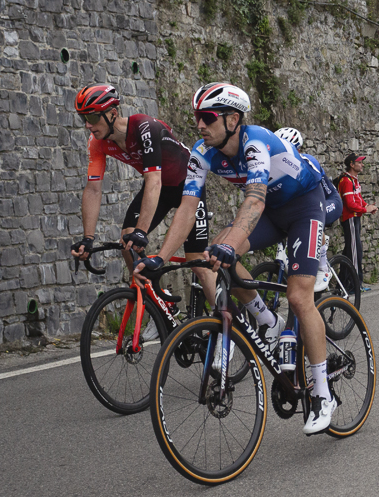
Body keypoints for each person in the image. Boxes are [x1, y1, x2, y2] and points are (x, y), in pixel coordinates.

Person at [138, 83, 338, 435]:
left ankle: (322, 393)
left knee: (297, 296)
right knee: (209, 255)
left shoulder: (255, 142)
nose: (199, 124)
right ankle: (267, 321)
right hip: (272, 212)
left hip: (305, 205)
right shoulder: (203, 152)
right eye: (197, 117)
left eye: (208, 117)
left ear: (233, 119)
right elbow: (186, 208)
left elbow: (255, 198)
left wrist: (232, 243)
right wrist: (159, 256)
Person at [69, 84, 208, 293]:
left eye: (92, 118)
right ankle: (157, 304)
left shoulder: (145, 127)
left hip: (188, 185)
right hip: (160, 188)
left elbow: (153, 180)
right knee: (127, 240)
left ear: (112, 114)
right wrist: (88, 238)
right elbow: (93, 189)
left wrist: (142, 232)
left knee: (196, 261)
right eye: (84, 118)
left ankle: (227, 319)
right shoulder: (98, 143)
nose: (88, 125)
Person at [275, 127, 343, 291]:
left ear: (297, 149)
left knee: (313, 221)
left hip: (330, 201)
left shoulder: (308, 162)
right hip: (308, 205)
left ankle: (323, 267)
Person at [337, 153, 377, 291]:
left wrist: (367, 206)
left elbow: (358, 198)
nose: (362, 165)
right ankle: (355, 285)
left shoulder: (353, 180)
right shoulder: (347, 181)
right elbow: (349, 203)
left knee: (350, 251)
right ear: (352, 165)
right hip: (350, 219)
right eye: (359, 162)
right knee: (355, 252)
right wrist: (365, 210)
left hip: (355, 218)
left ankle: (343, 284)